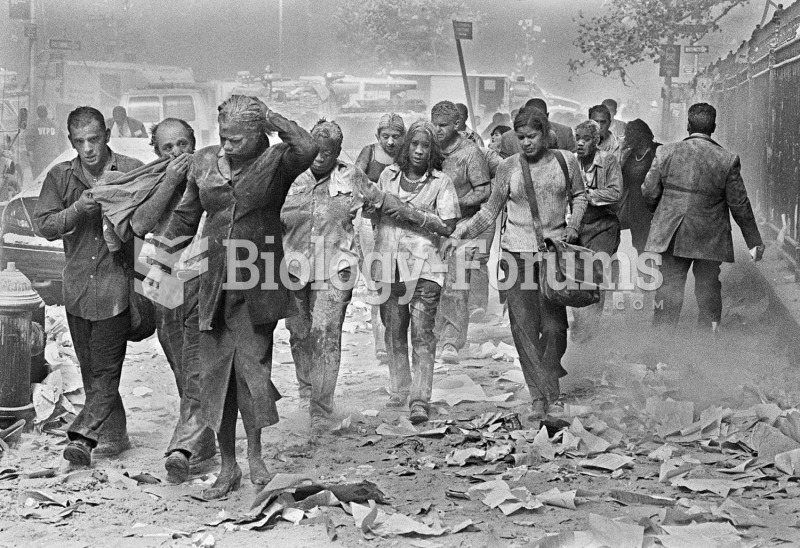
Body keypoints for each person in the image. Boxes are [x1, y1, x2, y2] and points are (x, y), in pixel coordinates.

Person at [147, 95, 317, 499]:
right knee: (214, 375)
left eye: (237, 139)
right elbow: (188, 216)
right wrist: (160, 264)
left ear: (258, 135)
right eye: (223, 136)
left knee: (251, 370)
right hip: (213, 280)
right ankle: (228, 466)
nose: (226, 146)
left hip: (258, 278)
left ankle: (256, 455)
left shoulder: (277, 161)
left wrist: (271, 116)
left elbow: (308, 147)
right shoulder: (204, 162)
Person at [442, 108, 587, 420]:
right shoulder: (509, 168)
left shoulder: (566, 161)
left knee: (554, 327)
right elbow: (489, 211)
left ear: (546, 134)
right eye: (520, 138)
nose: (526, 143)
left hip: (552, 256)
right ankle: (543, 396)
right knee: (522, 328)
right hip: (515, 257)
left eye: (532, 136)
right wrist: (460, 233)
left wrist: (573, 226)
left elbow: (580, 197)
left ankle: (548, 382)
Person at [34, 106, 145, 466]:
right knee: (89, 366)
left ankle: (84, 438)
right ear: (71, 142)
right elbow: (45, 226)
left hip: (118, 284)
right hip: (78, 286)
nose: (88, 149)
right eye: (80, 141)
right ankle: (116, 433)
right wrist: (78, 210)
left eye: (94, 139)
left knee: (106, 367)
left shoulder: (129, 171)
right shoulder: (60, 177)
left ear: (107, 136)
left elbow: (155, 221)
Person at [126, 118, 216, 483]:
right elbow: (139, 224)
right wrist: (168, 180)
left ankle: (186, 442)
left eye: (182, 144)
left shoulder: (209, 172)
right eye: (168, 148)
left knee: (198, 356)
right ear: (157, 152)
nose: (177, 153)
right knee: (177, 354)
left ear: (194, 143)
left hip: (202, 272)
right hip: (162, 275)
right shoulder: (152, 179)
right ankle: (201, 434)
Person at [365, 119, 459, 424]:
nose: (419, 151)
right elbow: (371, 212)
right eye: (415, 144)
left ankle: (419, 399)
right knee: (393, 332)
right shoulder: (387, 176)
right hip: (388, 266)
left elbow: (448, 225)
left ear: (433, 151)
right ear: (406, 147)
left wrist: (411, 214)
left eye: (426, 146)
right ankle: (401, 388)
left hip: (424, 269)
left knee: (421, 335)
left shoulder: (441, 183)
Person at [642, 103, 764, 333]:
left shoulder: (665, 152)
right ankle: (707, 342)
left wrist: (660, 214)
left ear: (688, 125)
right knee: (708, 289)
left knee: (669, 288)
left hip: (672, 233)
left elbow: (649, 192)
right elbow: (739, 205)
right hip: (709, 237)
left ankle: (659, 344)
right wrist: (754, 242)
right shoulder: (727, 159)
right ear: (714, 127)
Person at [282, 120, 366, 439]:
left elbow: (369, 219)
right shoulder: (288, 174)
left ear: (338, 153)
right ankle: (307, 389)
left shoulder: (352, 177)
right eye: (316, 150)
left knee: (327, 334)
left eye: (328, 153)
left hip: (336, 267)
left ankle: (321, 407)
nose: (320, 157)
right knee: (299, 333)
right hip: (292, 266)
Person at [430, 101, 491, 364]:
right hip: (431, 227)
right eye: (435, 124)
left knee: (456, 284)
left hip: (461, 227)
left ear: (456, 125)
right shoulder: (428, 149)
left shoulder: (470, 153)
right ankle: (431, 335)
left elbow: (483, 190)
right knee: (430, 283)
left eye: (443, 125)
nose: (438, 130)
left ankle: (451, 341)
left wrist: (454, 202)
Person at [355, 113, 406, 367]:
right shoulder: (369, 152)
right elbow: (356, 178)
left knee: (400, 281)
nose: (390, 141)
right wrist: (373, 194)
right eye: (385, 136)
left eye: (396, 136)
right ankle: (380, 345)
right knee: (377, 281)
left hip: (399, 222)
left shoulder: (408, 155)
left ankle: (397, 340)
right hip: (370, 222)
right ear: (377, 136)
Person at [570, 120, 622, 343]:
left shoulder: (608, 160)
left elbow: (616, 192)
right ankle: (581, 322)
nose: (580, 143)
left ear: (597, 140)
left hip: (603, 225)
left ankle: (590, 327)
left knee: (596, 275)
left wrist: (588, 196)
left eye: (586, 139)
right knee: (574, 277)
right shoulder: (571, 161)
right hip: (577, 225)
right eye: (578, 138)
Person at [618, 119, 660, 253]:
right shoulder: (629, 155)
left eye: (629, 134)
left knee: (655, 246)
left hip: (653, 208)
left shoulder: (658, 151)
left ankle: (655, 273)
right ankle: (644, 273)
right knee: (639, 245)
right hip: (635, 207)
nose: (626, 138)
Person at [499, 98, 577, 158]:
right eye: (521, 137)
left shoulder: (565, 132)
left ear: (547, 116)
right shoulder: (508, 138)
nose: (535, 121)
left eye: (540, 117)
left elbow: (573, 161)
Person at [25, 105, 62, 178]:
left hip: (39, 156)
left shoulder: (34, 125)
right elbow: (61, 139)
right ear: (47, 113)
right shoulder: (55, 124)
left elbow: (29, 139)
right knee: (53, 178)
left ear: (37, 113)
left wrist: (30, 152)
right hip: (52, 156)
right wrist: (59, 152)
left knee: (38, 179)